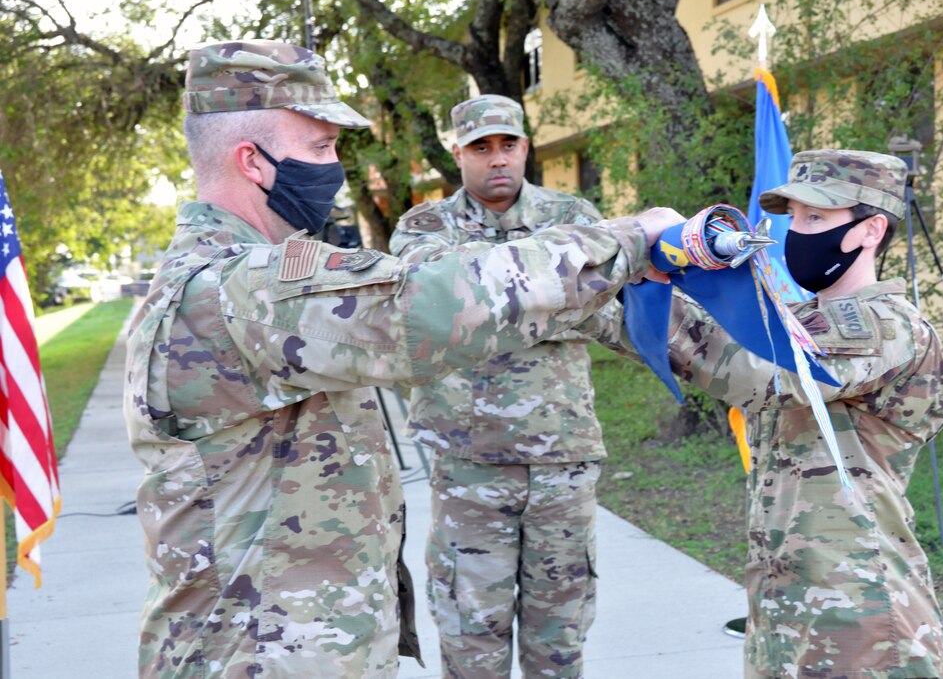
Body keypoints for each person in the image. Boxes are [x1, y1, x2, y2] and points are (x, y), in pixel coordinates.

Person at [122, 40, 682, 679]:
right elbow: (423, 305)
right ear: (251, 160)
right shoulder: (226, 290)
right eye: (320, 149)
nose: (334, 169)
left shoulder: (251, 278)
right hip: (255, 659)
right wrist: (630, 239)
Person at [658, 150, 943, 677]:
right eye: (792, 216)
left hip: (860, 618)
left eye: (815, 218)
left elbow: (748, 369)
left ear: (870, 230)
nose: (796, 232)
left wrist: (651, 277)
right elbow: (697, 341)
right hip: (784, 603)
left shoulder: (885, 327)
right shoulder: (796, 321)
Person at [389, 94, 607, 678]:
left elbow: (607, 308)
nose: (497, 159)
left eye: (507, 145)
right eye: (481, 147)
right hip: (468, 466)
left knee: (559, 640)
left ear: (526, 147)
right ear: (458, 153)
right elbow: (433, 312)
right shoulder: (424, 227)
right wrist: (554, 297)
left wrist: (491, 303)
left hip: (564, 459)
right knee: (469, 639)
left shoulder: (574, 218)